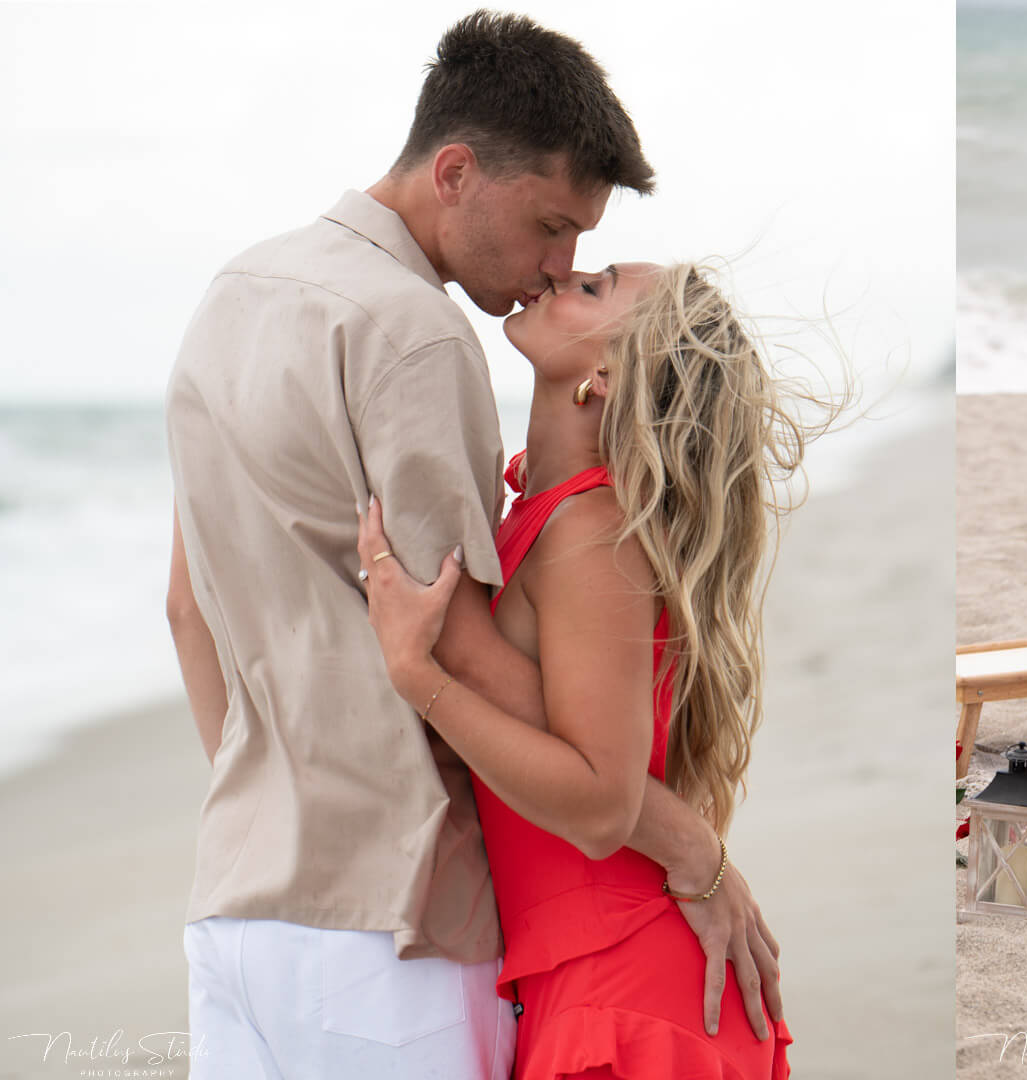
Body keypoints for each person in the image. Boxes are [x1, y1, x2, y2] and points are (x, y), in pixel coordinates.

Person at [164, 13, 778, 1075]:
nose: (557, 265)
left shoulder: (232, 296)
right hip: (393, 915)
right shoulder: (410, 331)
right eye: (553, 228)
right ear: (455, 171)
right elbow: (446, 642)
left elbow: (189, 607)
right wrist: (692, 847)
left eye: (586, 256)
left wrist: (267, 792)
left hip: (236, 903)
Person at [358, 261, 809, 1077]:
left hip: (629, 993)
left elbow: (601, 802)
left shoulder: (592, 531)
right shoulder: (542, 514)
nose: (563, 273)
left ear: (605, 376)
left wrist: (416, 676)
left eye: (595, 288)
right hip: (588, 981)